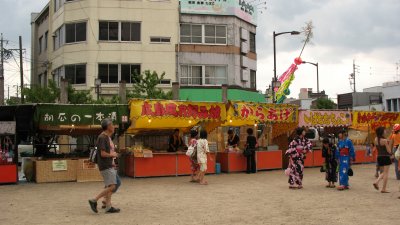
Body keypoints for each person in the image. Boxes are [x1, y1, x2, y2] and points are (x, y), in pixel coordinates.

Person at [89, 119, 120, 214]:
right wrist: (113, 155)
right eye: (112, 125)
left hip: (109, 164)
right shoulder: (102, 137)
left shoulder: (107, 137)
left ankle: (107, 206)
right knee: (112, 186)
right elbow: (102, 153)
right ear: (108, 126)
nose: (114, 126)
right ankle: (94, 200)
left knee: (113, 184)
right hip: (106, 165)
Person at [373, 127, 393, 193]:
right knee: (386, 173)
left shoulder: (375, 139)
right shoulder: (384, 141)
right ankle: (383, 188)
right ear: (382, 132)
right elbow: (389, 151)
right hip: (386, 157)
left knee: (383, 172)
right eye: (384, 130)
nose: (386, 131)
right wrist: (389, 143)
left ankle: (376, 182)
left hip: (379, 157)